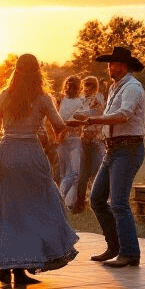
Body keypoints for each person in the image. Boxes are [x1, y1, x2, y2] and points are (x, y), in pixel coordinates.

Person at [0, 54, 80, 285]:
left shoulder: (5, 95)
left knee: (7, 211)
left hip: (5, 154)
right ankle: (20, 267)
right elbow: (59, 127)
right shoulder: (43, 98)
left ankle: (8, 266)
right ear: (38, 72)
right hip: (30, 155)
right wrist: (80, 122)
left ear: (16, 71)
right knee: (36, 208)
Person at [73, 46, 145, 268]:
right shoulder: (116, 87)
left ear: (122, 65)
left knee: (119, 202)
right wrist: (87, 117)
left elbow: (123, 115)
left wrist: (94, 121)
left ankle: (130, 253)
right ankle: (115, 247)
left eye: (111, 64)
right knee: (97, 198)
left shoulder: (132, 87)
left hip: (128, 149)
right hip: (113, 149)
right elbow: (108, 114)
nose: (108, 68)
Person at [75, 75, 106, 214]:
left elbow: (96, 113)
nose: (86, 88)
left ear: (94, 86)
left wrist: (80, 114)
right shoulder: (83, 99)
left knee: (96, 172)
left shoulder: (98, 98)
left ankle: (98, 203)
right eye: (85, 85)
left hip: (96, 140)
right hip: (84, 140)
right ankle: (80, 203)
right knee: (82, 174)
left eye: (89, 85)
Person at [55, 75, 85, 211]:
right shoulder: (64, 100)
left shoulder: (77, 101)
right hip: (66, 138)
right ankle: (60, 200)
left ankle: (68, 203)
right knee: (71, 173)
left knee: (69, 173)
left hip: (69, 138)